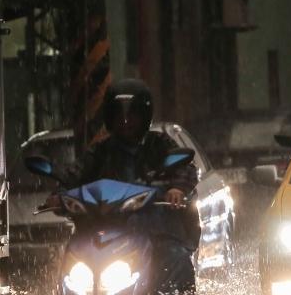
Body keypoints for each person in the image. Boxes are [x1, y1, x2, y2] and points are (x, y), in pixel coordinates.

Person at [46, 78, 200, 251]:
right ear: (110, 117)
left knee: (176, 258)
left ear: (144, 115)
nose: (126, 121)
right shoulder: (100, 151)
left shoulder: (159, 144)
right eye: (119, 114)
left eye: (133, 114)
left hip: (158, 234)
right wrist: (59, 195)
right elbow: (74, 174)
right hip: (105, 236)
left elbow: (185, 167)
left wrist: (177, 189)